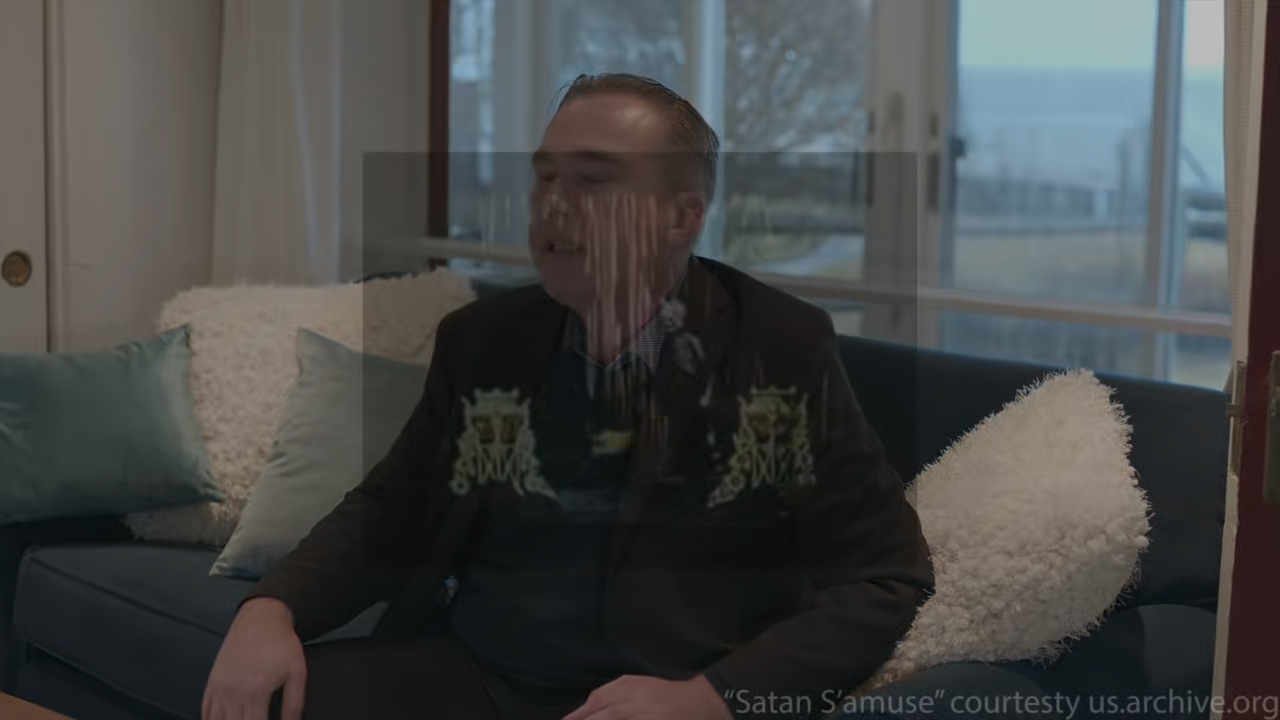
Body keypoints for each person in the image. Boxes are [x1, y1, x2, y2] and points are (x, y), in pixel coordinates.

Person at [201, 73, 933, 720]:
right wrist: (273, 606)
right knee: (270, 703)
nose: (554, 205)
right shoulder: (484, 339)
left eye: (594, 180)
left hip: (653, 696)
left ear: (683, 216)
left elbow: (885, 576)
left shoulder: (779, 346)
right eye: (545, 178)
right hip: (475, 670)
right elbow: (396, 506)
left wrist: (716, 697)